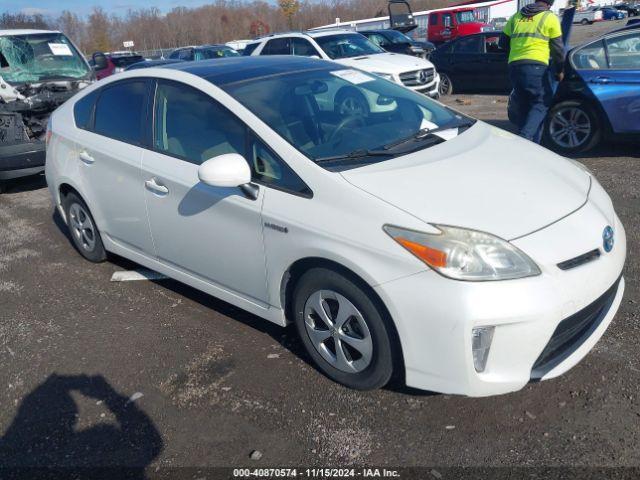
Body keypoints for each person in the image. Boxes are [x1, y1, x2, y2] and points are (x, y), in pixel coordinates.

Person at [503, 0, 565, 143]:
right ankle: (524, 139)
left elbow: (502, 43)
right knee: (541, 102)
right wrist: (559, 70)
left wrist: (516, 54)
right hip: (536, 67)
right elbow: (558, 49)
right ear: (549, 4)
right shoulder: (549, 17)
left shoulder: (516, 16)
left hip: (514, 66)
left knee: (523, 104)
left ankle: (526, 141)